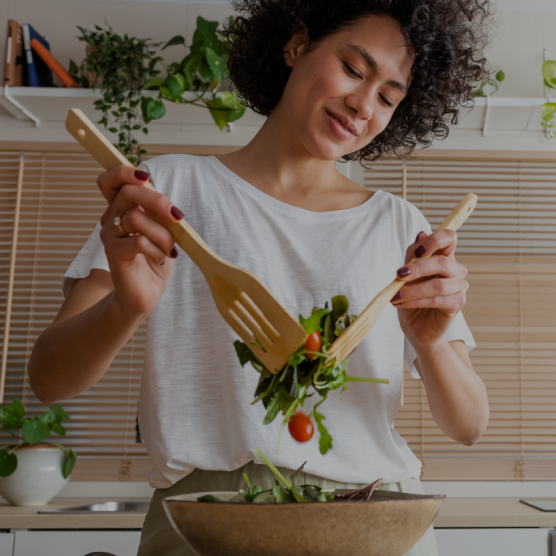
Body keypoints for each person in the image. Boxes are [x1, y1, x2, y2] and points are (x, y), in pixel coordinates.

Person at [28, 1, 492, 554]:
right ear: (297, 44)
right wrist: (125, 306)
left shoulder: (399, 225)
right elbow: (49, 381)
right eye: (352, 68)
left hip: (374, 519)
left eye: (389, 97)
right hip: (207, 523)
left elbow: (469, 425)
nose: (363, 104)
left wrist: (431, 342)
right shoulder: (170, 190)